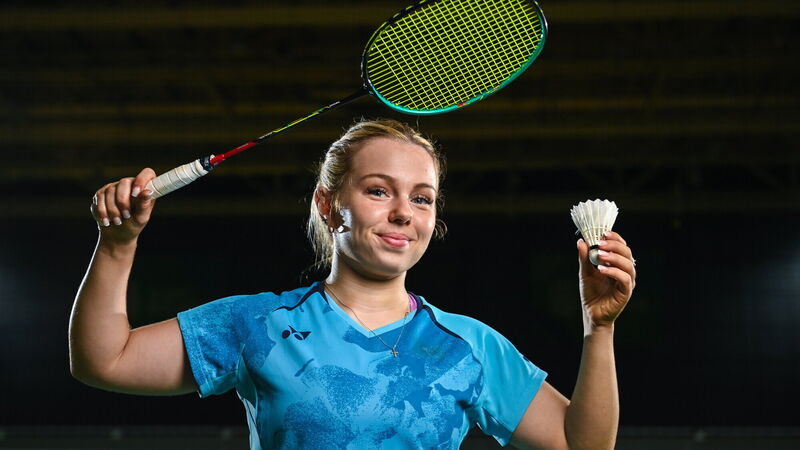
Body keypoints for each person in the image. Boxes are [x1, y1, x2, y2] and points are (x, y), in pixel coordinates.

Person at [70, 118, 636, 449]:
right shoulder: (259, 325)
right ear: (328, 205)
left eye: (422, 198)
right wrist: (117, 246)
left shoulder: (468, 346)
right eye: (378, 190)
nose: (403, 212)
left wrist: (600, 329)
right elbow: (104, 361)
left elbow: (582, 445)